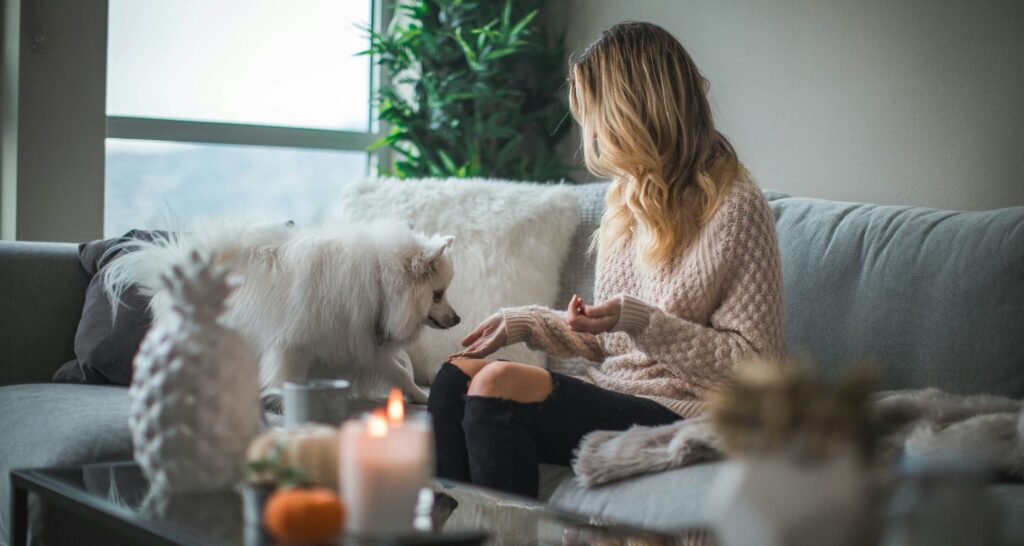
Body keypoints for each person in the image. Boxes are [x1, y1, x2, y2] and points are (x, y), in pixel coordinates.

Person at [426, 21, 785, 498]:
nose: (590, 130)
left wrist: (642, 322)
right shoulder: (627, 195)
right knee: (455, 377)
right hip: (615, 389)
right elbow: (610, 342)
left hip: (688, 408)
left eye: (594, 113)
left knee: (498, 385)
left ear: (632, 111)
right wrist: (528, 322)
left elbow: (756, 368)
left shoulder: (735, 205)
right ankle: (449, 528)